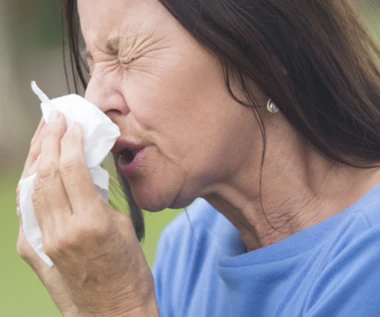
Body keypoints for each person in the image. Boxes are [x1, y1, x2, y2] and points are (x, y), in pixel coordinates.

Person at [15, 0, 380, 316]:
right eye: (93, 65)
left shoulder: (368, 262)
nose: (95, 102)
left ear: (263, 50)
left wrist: (118, 307)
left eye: (126, 55)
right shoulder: (189, 253)